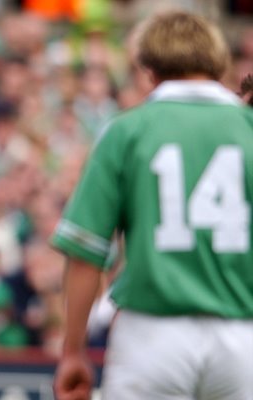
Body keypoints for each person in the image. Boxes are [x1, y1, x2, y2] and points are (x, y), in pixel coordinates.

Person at [51, 11, 253, 400]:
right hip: (241, 334)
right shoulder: (247, 127)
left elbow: (86, 252)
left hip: (152, 335)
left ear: (148, 67)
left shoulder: (128, 129)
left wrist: (73, 351)